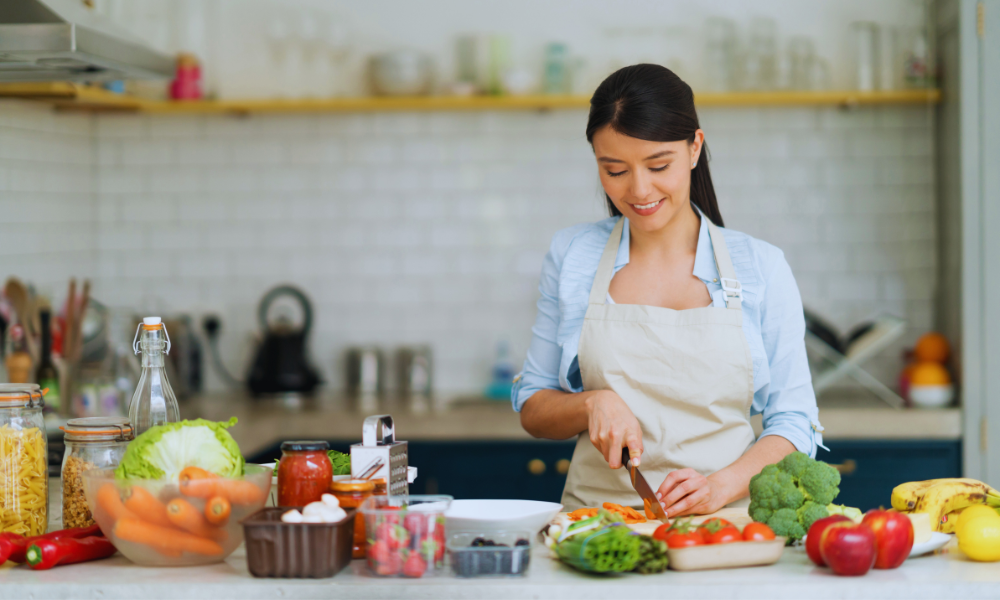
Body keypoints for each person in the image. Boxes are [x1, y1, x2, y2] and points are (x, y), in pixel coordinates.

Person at [512, 64, 823, 516]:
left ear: (694, 148)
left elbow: (795, 422)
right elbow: (534, 407)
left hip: (721, 528)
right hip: (598, 527)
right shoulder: (573, 255)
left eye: (659, 166)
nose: (639, 190)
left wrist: (719, 487)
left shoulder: (760, 266)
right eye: (615, 169)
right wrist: (591, 403)